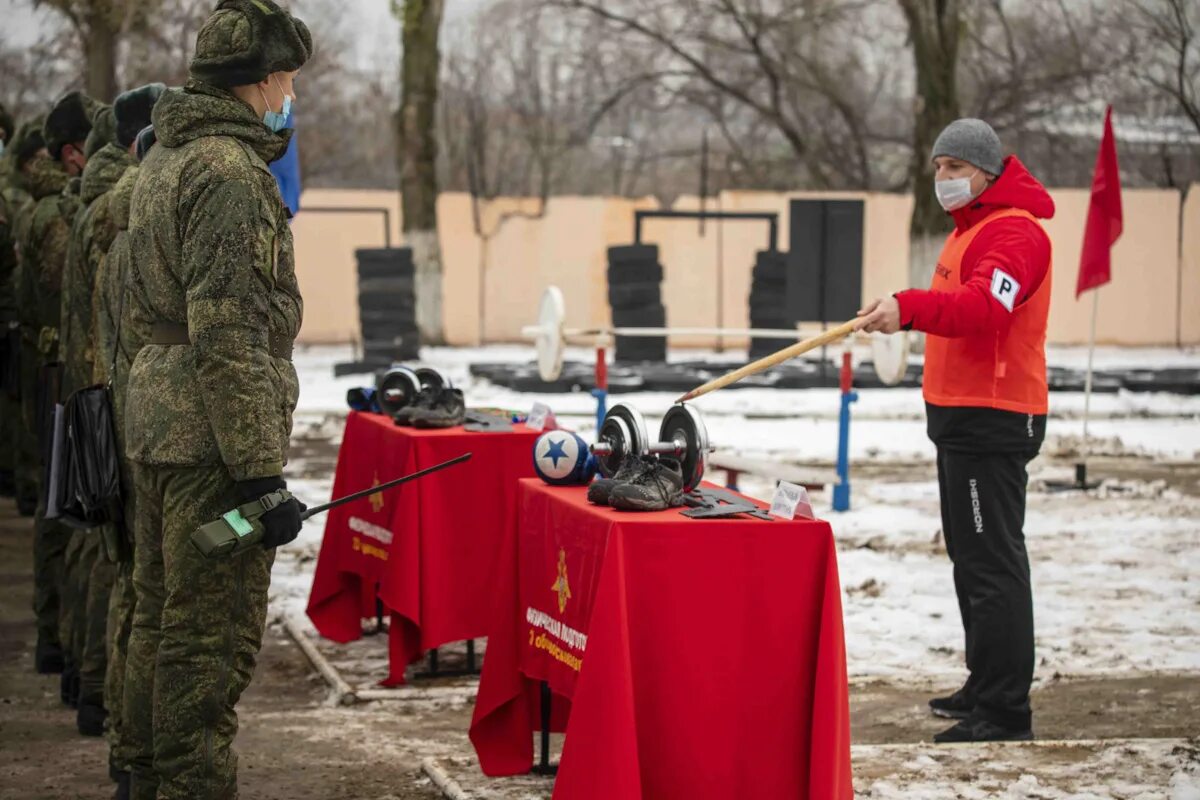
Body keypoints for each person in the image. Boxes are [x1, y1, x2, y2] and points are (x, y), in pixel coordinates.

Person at [121, 1, 310, 796]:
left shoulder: (165, 158)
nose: (289, 93)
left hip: (161, 425)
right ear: (260, 80)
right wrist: (260, 474)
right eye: (287, 78)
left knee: (158, 618)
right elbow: (230, 330)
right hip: (211, 441)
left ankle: (138, 774)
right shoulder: (229, 173)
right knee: (207, 641)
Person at [856, 117, 1053, 743]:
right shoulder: (971, 231)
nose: (943, 179)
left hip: (993, 421)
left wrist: (907, 308)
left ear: (987, 174)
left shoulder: (1014, 235)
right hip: (962, 418)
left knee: (992, 563)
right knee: (970, 559)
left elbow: (982, 308)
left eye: (954, 169)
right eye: (938, 168)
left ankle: (1003, 711)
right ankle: (983, 683)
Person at [16, 91, 98, 687]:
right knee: (67, 510)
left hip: (58, 369)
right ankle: (60, 638)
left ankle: (59, 639)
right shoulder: (61, 216)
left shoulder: (63, 209)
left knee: (64, 507)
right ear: (72, 153)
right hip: (62, 373)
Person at [93, 120, 157, 797]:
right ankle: (139, 753)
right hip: (157, 441)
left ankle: (127, 747)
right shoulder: (146, 246)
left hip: (125, 425)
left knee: (134, 594)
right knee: (155, 606)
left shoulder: (118, 246)